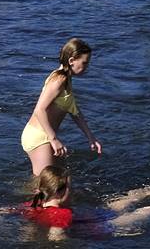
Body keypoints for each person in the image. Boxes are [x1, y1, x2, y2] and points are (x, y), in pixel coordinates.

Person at [19, 163, 150, 235]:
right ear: (59, 192)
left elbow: (11, 211)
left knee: (131, 197)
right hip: (101, 227)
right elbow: (57, 234)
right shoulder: (61, 215)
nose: (72, 192)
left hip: (94, 217)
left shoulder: (35, 202)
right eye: (70, 188)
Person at [20, 38, 102, 174]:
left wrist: (90, 137)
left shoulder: (67, 79)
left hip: (45, 136)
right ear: (71, 61)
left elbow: (75, 111)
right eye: (84, 63)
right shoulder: (59, 80)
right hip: (39, 137)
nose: (86, 67)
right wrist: (54, 140)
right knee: (47, 186)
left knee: (63, 178)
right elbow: (39, 110)